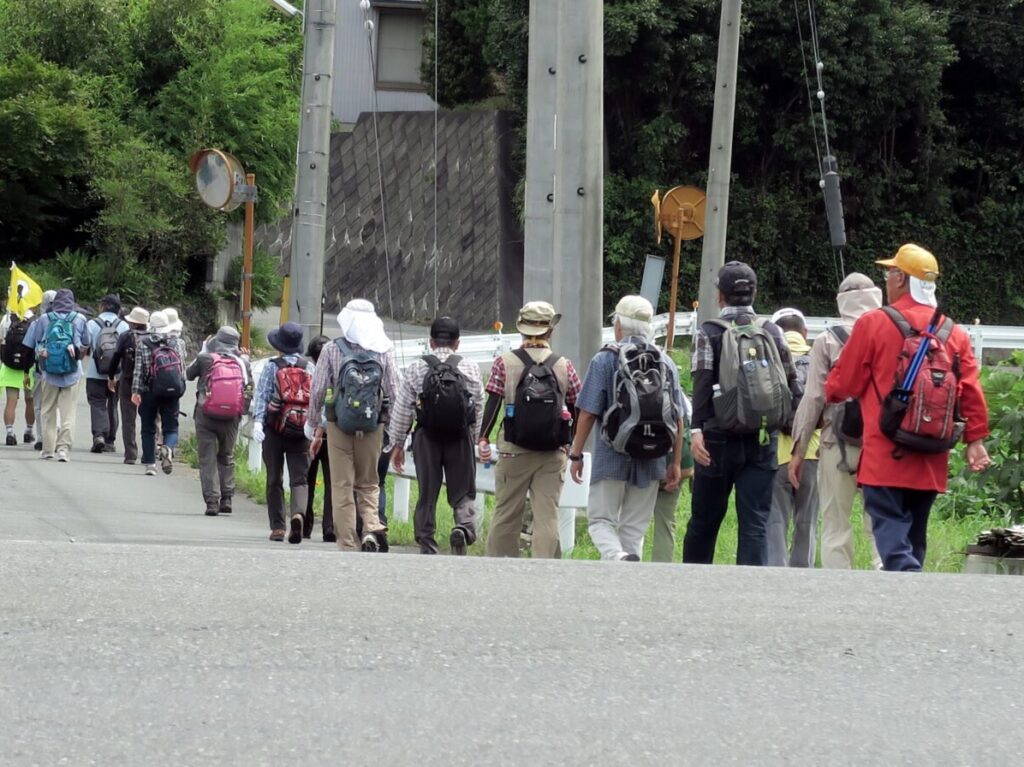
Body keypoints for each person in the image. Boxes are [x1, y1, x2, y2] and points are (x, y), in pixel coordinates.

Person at [825, 244, 990, 571]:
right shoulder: (952, 332)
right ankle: (914, 599)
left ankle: (908, 585)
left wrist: (831, 390)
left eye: (889, 273)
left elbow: (843, 385)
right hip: (931, 455)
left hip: (885, 454)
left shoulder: (873, 323)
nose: (886, 279)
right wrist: (976, 441)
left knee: (893, 539)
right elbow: (970, 388)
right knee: (914, 537)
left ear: (901, 278)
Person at [683, 262, 800, 566]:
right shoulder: (772, 331)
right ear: (754, 293)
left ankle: (693, 585)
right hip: (762, 438)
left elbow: (702, 383)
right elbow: (791, 383)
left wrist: (696, 431)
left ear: (720, 296)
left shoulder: (708, 333)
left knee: (704, 522)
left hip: (716, 440)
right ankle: (749, 595)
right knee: (755, 524)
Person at [568, 296, 687, 561]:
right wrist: (676, 462)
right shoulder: (665, 362)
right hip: (653, 457)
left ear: (619, 325)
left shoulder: (604, 359)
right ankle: (628, 579)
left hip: (612, 456)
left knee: (600, 521)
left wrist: (576, 454)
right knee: (634, 530)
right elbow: (677, 417)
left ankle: (617, 559)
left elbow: (587, 413)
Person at [789, 273, 883, 569]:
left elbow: (814, 398)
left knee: (835, 523)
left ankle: (839, 591)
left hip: (836, 442)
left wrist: (799, 450)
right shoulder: (891, 334)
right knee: (881, 521)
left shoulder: (829, 340)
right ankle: (888, 580)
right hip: (881, 443)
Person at [481, 301, 583, 559]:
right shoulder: (564, 365)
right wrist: (571, 442)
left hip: (513, 451)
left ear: (521, 330)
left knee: (506, 514)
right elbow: (577, 406)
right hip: (552, 452)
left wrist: (483, 437)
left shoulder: (504, 363)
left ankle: (500, 570)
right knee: (547, 516)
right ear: (550, 331)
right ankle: (544, 572)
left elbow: (493, 403)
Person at [389, 316, 484, 555]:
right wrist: (473, 437)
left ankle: (427, 541)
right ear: (457, 343)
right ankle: (463, 527)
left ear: (430, 342)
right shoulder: (470, 368)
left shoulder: (417, 368)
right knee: (463, 490)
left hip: (427, 437)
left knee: (427, 492)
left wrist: (398, 443)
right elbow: (479, 406)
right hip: (460, 436)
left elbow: (403, 409)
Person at [306, 299, 395, 552]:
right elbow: (395, 392)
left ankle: (347, 543)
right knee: (369, 482)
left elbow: (318, 391)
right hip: (372, 425)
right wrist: (396, 429)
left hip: (339, 426)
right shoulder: (384, 349)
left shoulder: (332, 349)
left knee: (342, 486)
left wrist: (313, 423)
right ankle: (370, 526)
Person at [765, 308, 819, 568]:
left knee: (775, 518)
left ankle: (777, 570)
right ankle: (803, 573)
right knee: (807, 520)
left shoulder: (771, 359)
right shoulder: (819, 360)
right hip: (813, 451)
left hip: (777, 452)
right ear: (805, 333)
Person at [252, 322, 314, 543]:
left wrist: (258, 423)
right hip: (301, 431)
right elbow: (315, 399)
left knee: (274, 478)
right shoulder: (309, 367)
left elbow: (262, 396)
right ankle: (298, 513)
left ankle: (278, 526)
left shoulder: (272, 366)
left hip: (275, 429)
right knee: (300, 479)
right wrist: (313, 426)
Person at [187, 326, 252, 517]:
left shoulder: (205, 358)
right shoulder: (243, 363)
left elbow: (189, 374)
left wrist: (204, 349)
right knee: (226, 455)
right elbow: (249, 389)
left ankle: (212, 502)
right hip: (231, 416)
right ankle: (227, 498)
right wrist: (241, 411)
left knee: (207, 458)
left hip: (205, 413)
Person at [21, 288, 91, 462]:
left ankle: (48, 449)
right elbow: (87, 343)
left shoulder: (45, 319)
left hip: (49, 372)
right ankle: (63, 450)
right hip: (73, 372)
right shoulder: (80, 318)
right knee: (68, 413)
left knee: (47, 411)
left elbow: (35, 342)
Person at [131, 310, 187, 477]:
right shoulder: (178, 343)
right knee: (171, 427)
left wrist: (135, 391)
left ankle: (150, 464)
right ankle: (168, 448)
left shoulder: (143, 343)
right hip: (172, 392)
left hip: (149, 391)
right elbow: (181, 367)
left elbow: (138, 370)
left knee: (148, 428)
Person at [84, 294, 129, 454]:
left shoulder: (91, 324)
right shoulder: (124, 326)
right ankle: (110, 440)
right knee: (113, 404)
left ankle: (99, 436)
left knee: (97, 403)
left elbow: (85, 346)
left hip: (94, 372)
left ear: (103, 306)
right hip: (117, 374)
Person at [304, 335, 336, 542]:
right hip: (334, 431)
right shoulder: (339, 372)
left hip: (309, 431)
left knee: (307, 479)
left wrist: (314, 427)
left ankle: (305, 524)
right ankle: (329, 527)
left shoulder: (307, 371)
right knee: (332, 481)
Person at [107, 306, 150, 465]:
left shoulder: (126, 337)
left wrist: (111, 377)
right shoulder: (153, 337)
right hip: (149, 382)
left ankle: (131, 454)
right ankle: (148, 454)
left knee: (128, 418)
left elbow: (115, 358)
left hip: (128, 380)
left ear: (133, 323)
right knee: (148, 418)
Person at [1, 306, 37, 446]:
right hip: (28, 367)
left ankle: (10, 432)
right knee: (30, 400)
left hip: (10, 366)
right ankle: (28, 432)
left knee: (11, 401)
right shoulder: (34, 320)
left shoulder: (6, 319)